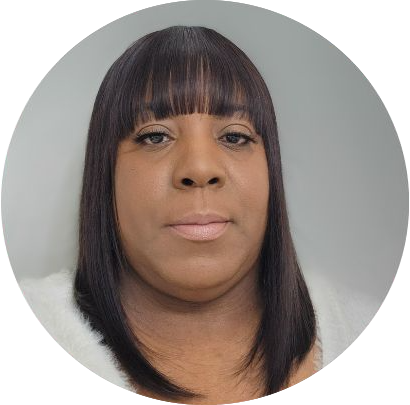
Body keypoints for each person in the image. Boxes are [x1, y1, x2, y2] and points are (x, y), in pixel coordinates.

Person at [18, 26, 379, 404]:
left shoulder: (358, 324)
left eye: (235, 136)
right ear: (104, 175)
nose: (200, 167)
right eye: (155, 136)